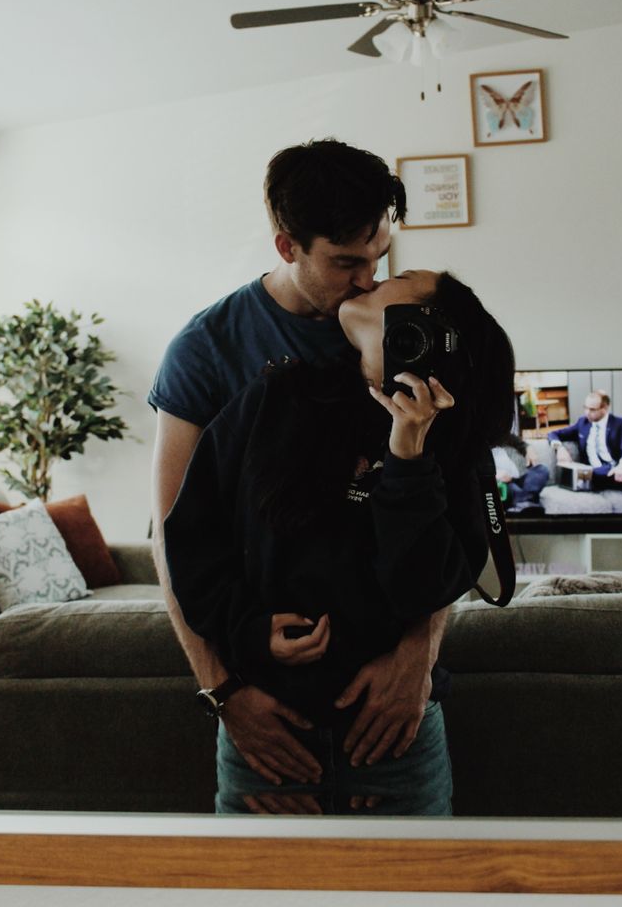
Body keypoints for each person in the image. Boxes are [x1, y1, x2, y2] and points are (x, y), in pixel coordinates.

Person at [150, 138, 450, 809]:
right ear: (287, 246)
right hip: (265, 715)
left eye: (380, 257)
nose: (370, 280)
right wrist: (225, 694)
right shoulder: (207, 351)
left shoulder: (409, 336)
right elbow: (172, 538)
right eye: (346, 262)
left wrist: (415, 662)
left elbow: (448, 519)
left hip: (398, 711)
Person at [165, 269, 516, 815]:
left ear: (433, 327)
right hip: (265, 739)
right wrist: (247, 635)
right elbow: (192, 538)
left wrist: (408, 459)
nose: (368, 281)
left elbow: (419, 588)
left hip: (396, 742)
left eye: (397, 278)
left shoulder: (449, 444)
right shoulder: (274, 399)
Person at [547, 390, 622, 514]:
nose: (587, 413)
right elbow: (553, 434)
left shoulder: (619, 423)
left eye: (592, 409)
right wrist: (560, 448)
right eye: (585, 408)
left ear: (604, 408)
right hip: (598, 473)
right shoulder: (582, 423)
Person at [492, 433, 549, 515]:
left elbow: (521, 444)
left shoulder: (504, 434)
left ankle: (522, 501)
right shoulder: (475, 441)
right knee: (506, 490)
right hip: (502, 483)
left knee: (542, 470)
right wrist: (495, 474)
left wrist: (529, 448)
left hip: (522, 477)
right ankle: (529, 501)